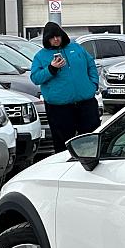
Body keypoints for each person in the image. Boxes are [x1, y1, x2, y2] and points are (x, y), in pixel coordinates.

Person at [30, 21, 100, 153]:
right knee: (63, 145)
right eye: (52, 37)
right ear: (47, 39)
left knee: (91, 139)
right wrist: (51, 68)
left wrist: (93, 84)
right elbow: (35, 78)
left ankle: (91, 161)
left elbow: (91, 64)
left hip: (86, 103)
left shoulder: (77, 48)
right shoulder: (40, 56)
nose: (56, 39)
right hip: (59, 108)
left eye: (58, 36)